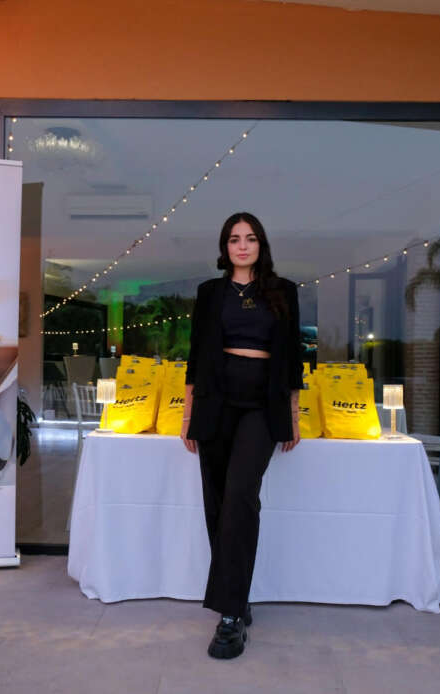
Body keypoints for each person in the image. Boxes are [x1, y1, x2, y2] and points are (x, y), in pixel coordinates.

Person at [181, 212, 303, 660]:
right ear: (225, 247)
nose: (243, 245)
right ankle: (238, 595)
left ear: (261, 245)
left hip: (261, 403)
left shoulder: (283, 290)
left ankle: (229, 616)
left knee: (239, 496)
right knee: (217, 502)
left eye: (250, 238)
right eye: (234, 239)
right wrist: (187, 414)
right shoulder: (210, 293)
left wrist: (293, 415)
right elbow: (196, 355)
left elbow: (292, 357)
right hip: (215, 400)